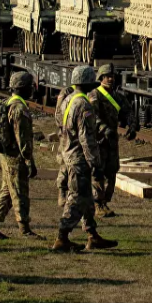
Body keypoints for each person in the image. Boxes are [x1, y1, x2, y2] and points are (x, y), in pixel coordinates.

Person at [52, 65, 118, 252]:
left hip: (68, 152)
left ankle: (92, 235)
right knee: (77, 197)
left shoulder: (68, 99)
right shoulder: (83, 105)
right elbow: (87, 138)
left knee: (87, 198)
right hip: (79, 157)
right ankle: (62, 237)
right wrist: (95, 163)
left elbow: (59, 122)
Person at [0, 71, 41, 240]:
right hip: (15, 156)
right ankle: (25, 229)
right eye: (31, 86)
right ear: (24, 88)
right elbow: (22, 138)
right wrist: (29, 160)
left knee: (7, 191)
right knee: (20, 192)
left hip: (6, 153)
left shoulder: (8, 102)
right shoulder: (19, 108)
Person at [88, 62, 136, 218]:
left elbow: (128, 111)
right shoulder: (95, 95)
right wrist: (103, 129)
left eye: (112, 76)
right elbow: (92, 117)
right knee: (98, 171)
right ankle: (97, 204)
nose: (110, 79)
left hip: (112, 141)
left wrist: (132, 126)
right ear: (101, 78)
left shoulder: (117, 97)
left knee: (112, 171)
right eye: (107, 76)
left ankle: (105, 201)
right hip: (99, 141)